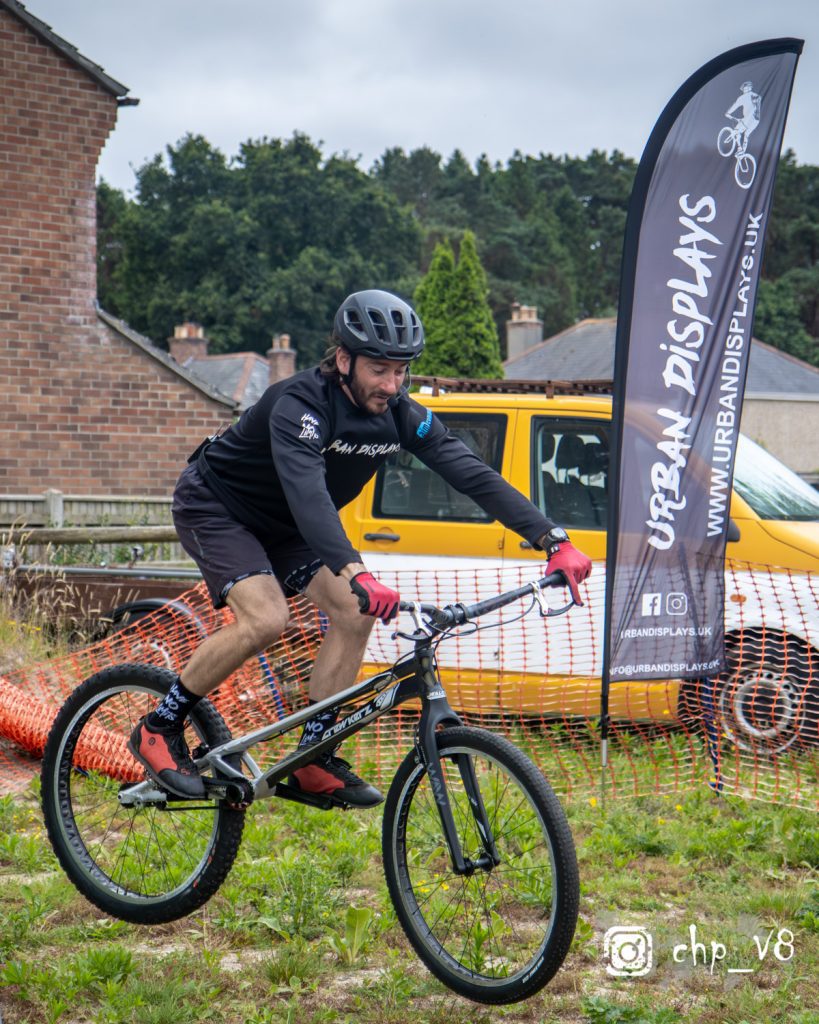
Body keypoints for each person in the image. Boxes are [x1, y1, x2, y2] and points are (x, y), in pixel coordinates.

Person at [128, 289, 592, 807]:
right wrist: (356, 569)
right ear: (344, 360)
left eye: (401, 371)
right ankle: (160, 725)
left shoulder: (398, 413)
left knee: (353, 612)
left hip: (287, 526)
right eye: (379, 370)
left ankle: (311, 757)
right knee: (266, 618)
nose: (391, 384)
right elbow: (308, 493)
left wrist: (552, 539)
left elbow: (471, 472)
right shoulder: (298, 405)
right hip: (219, 506)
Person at [725, 80, 761, 157]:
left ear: (747, 88)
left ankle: (740, 148)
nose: (744, 90)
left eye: (744, 88)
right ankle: (742, 152)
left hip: (748, 119)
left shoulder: (743, 97)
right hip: (756, 120)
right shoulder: (756, 96)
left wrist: (728, 113)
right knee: (746, 134)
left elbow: (734, 106)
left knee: (736, 131)